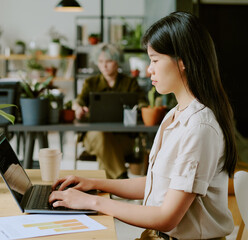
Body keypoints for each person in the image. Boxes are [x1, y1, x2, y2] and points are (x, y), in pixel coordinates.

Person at [50, 11, 238, 239]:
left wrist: (91, 201)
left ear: (183, 62)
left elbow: (166, 218)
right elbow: (156, 184)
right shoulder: (175, 115)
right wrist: (94, 183)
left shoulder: (200, 127)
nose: (149, 69)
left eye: (155, 60)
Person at [73, 43, 147, 179]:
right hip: (94, 137)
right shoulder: (90, 82)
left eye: (109, 61)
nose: (104, 66)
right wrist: (79, 109)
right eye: (100, 62)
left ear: (117, 61)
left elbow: (142, 102)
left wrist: (140, 108)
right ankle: (121, 178)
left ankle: (107, 191)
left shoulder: (130, 83)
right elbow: (78, 102)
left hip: (124, 137)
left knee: (106, 150)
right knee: (102, 136)